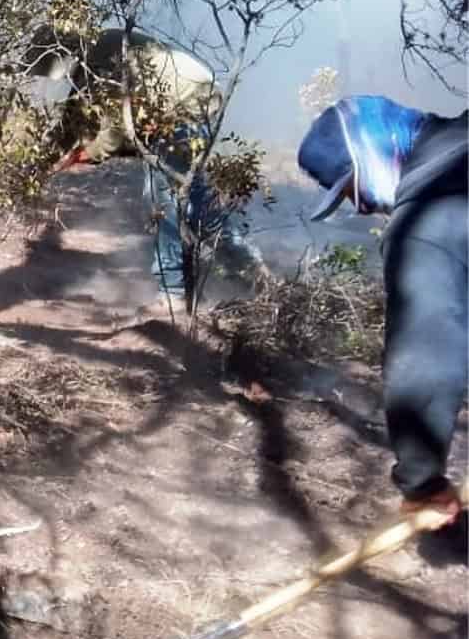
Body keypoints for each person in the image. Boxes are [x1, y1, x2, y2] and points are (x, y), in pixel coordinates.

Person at [298, 95, 467, 526]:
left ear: (373, 147)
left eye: (354, 186)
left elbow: (425, 353)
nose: (362, 206)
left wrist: (422, 481)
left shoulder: (429, 216)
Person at [31, 26, 260, 300]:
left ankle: (173, 291)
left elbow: (114, 132)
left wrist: (84, 155)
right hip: (192, 98)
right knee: (195, 200)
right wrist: (50, 154)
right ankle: (246, 267)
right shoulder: (99, 49)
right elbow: (77, 112)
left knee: (163, 198)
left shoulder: (102, 59)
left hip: (183, 106)